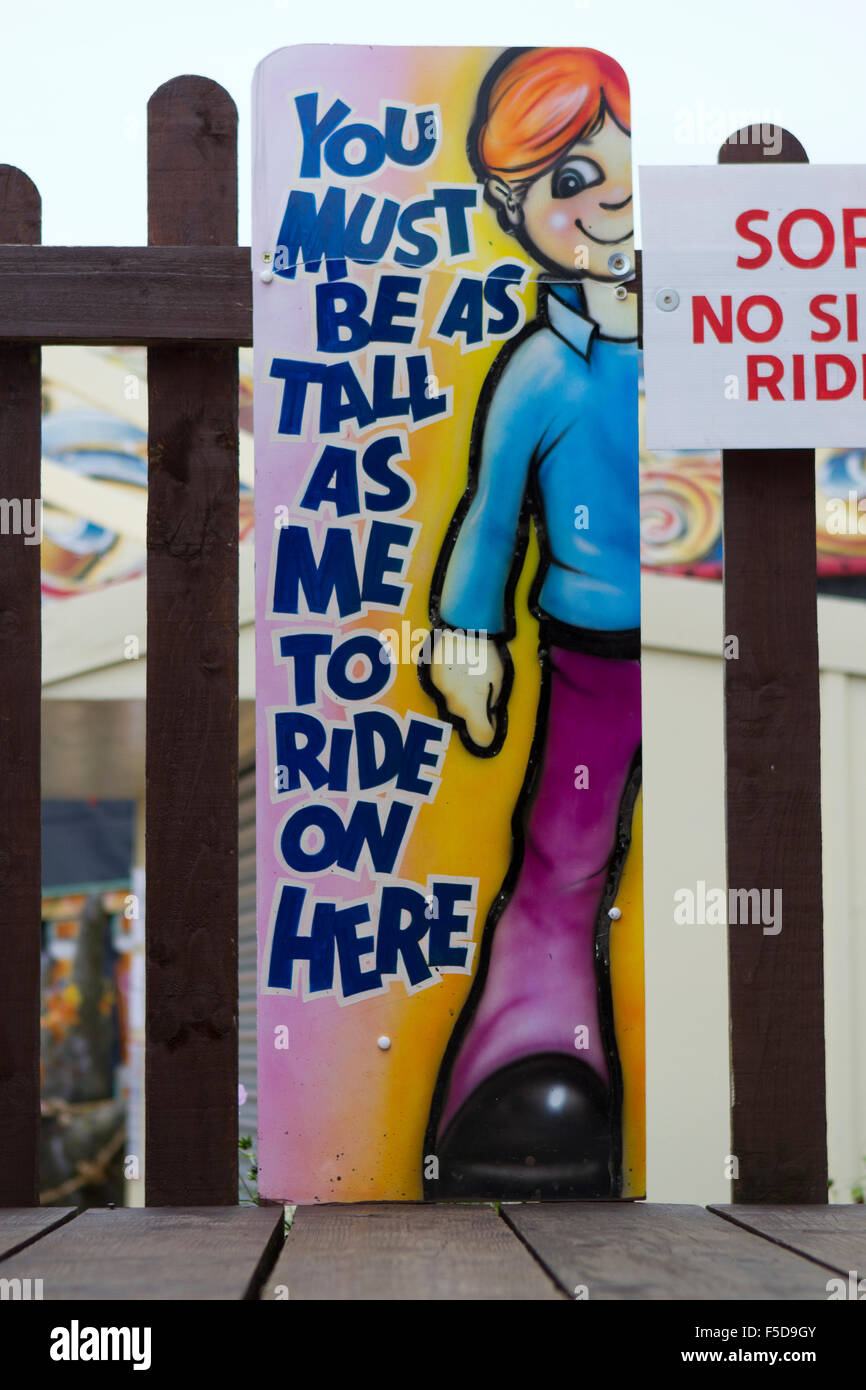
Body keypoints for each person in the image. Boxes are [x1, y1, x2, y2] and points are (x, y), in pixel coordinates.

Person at [420, 46, 642, 1198]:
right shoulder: (541, 371)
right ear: (516, 213)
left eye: (610, 159)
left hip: (728, 657)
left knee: (743, 841)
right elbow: (488, 521)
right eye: (562, 181)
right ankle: (529, 1055)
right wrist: (466, 636)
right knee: (564, 854)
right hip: (596, 660)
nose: (598, 192)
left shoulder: (704, 342)